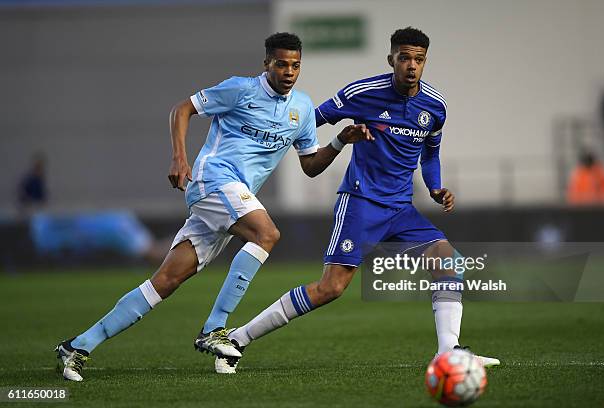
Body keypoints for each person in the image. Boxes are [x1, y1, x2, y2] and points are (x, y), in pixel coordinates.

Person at [55, 32, 372, 381]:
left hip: (233, 199)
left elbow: (310, 166)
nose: (288, 72)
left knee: (165, 280)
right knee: (267, 234)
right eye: (281, 64)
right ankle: (215, 328)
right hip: (213, 181)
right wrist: (180, 157)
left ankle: (77, 346)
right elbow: (183, 109)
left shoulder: (302, 109)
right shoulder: (241, 89)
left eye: (295, 65)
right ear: (267, 64)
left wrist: (341, 140)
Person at [215, 27, 500, 374]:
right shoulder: (362, 93)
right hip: (361, 203)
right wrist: (271, 144)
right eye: (405, 57)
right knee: (330, 288)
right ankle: (237, 341)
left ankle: (448, 353)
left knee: (449, 263)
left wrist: (435, 187)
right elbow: (307, 120)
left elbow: (430, 154)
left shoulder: (435, 107)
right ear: (391, 59)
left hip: (401, 208)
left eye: (419, 59)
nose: (412, 65)